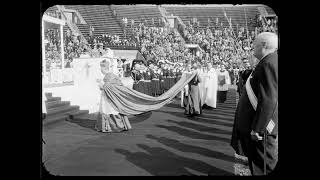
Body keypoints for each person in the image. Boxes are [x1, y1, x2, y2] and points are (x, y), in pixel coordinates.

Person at [230, 32, 278, 175]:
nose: (252, 47)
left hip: (260, 131)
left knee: (262, 167)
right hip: (256, 126)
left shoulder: (269, 63)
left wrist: (258, 128)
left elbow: (269, 99)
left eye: (255, 44)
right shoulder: (267, 61)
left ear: (264, 45)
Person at [96, 60, 132, 133]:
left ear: (104, 68)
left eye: (101, 68)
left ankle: (114, 126)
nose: (100, 70)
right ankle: (112, 126)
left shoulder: (109, 76)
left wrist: (101, 84)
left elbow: (108, 86)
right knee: (109, 109)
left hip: (109, 97)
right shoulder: (111, 75)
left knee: (109, 109)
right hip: (108, 95)